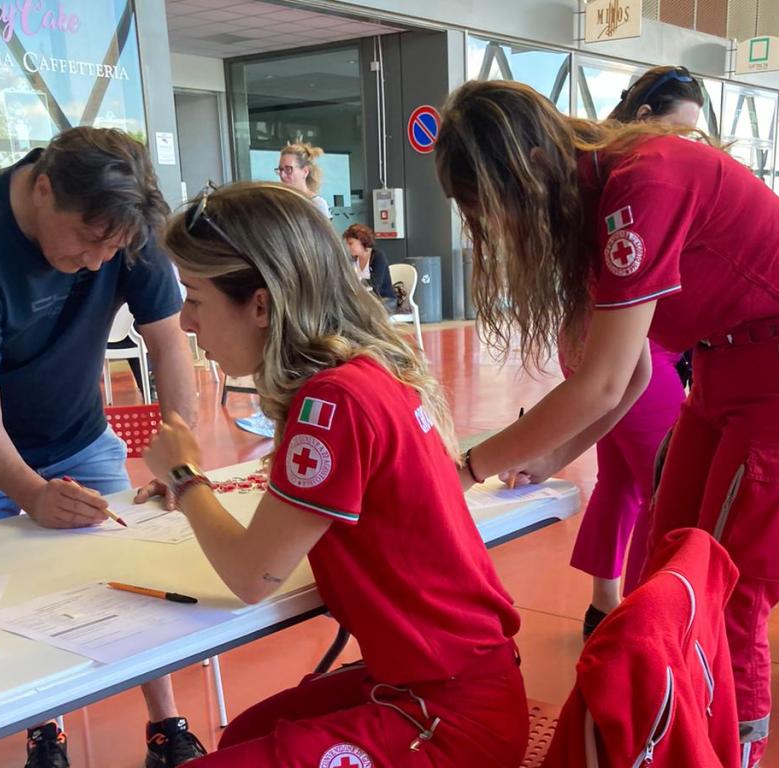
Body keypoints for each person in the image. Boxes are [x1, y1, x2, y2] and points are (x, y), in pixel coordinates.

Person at [435, 80, 779, 768]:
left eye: (495, 209)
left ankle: (730, 756)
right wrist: (552, 456)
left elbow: (603, 381)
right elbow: (632, 374)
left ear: (532, 166)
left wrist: (464, 469)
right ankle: (663, 741)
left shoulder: (644, 184)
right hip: (728, 368)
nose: (498, 230)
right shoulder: (594, 202)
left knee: (724, 602)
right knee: (657, 580)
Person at [134, 181, 528, 767]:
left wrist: (186, 475)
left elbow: (253, 576)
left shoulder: (333, 401)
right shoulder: (364, 372)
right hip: (449, 682)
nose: (186, 323)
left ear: (261, 305)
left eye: (194, 298)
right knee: (245, 735)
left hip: (449, 716)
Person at [0, 127, 205, 768]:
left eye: (111, 250)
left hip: (78, 433)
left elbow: (169, 342)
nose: (96, 262)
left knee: (133, 572)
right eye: (88, 242)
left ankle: (166, 725)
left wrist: (180, 461)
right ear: (42, 189)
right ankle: (43, 726)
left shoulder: (125, 221)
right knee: (8, 594)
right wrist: (31, 493)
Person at [565, 65, 703, 637]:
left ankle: (605, 608)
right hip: (634, 345)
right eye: (679, 130)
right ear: (644, 117)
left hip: (603, 339)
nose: (687, 146)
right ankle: (648, 624)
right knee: (666, 490)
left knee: (621, 480)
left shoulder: (600, 175)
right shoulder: (640, 179)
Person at [236, 141, 332, 439]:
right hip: (282, 286)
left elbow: (316, 252)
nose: (284, 175)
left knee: (299, 352)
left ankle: (290, 414)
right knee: (271, 347)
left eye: (289, 169)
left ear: (305, 171)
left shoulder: (316, 206)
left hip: (306, 291)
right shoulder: (281, 203)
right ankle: (271, 413)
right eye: (280, 170)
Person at [343, 223, 397, 312]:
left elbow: (375, 285)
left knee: (358, 311)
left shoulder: (378, 256)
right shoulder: (352, 260)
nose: (348, 247)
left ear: (362, 241)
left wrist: (356, 285)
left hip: (385, 300)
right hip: (363, 300)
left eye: (351, 243)